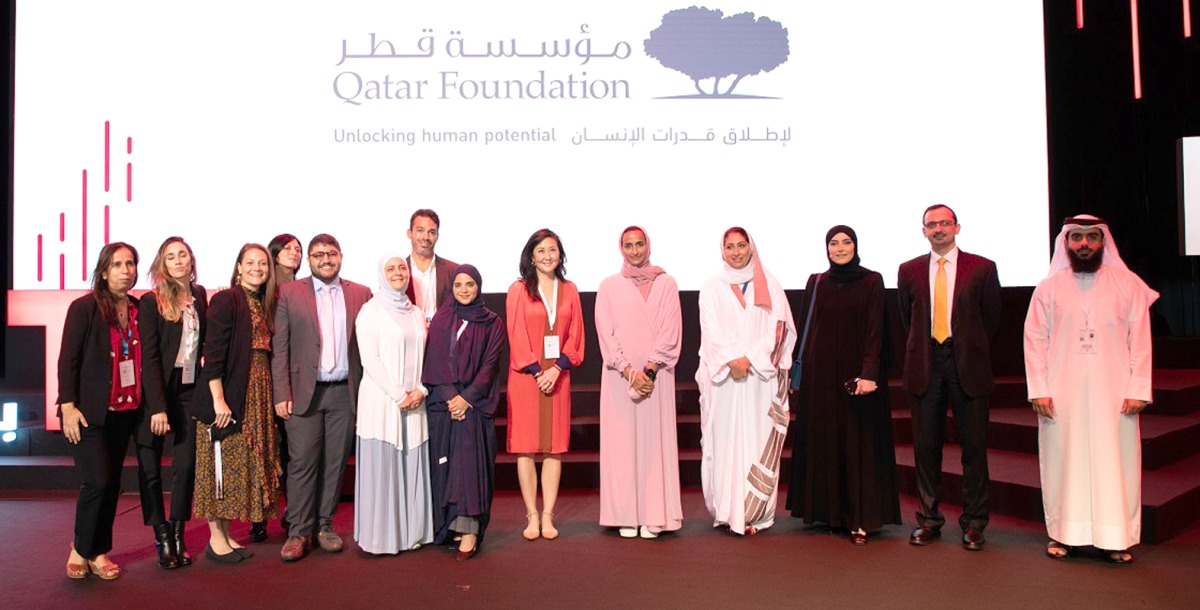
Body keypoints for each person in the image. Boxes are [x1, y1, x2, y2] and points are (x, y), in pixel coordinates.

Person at [1024, 215, 1157, 565]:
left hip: (1115, 393)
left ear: (1103, 242)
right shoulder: (1048, 288)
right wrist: (1038, 389)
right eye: (1077, 238)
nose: (1084, 244)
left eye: (1092, 237)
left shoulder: (1127, 284)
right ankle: (1064, 535)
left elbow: (1141, 341)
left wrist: (1139, 388)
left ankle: (1115, 538)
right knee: (1063, 460)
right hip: (1060, 393)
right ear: (1066, 243)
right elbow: (1034, 341)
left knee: (1115, 462)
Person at [786, 226, 901, 545]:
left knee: (857, 445)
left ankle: (860, 518)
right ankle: (831, 514)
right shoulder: (817, 281)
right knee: (827, 441)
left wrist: (869, 374)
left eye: (845, 242)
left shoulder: (872, 280)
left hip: (857, 380)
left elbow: (875, 331)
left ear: (856, 246)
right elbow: (809, 330)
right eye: (833, 243)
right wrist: (801, 376)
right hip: (820, 379)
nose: (839, 248)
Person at [897, 204, 1001, 551]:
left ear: (957, 227)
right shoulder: (908, 270)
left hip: (967, 365)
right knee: (926, 449)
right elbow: (905, 318)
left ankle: (974, 524)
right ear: (923, 231)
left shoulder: (982, 268)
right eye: (931, 225)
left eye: (944, 223)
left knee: (974, 450)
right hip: (926, 365)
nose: (938, 229)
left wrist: (965, 347)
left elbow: (991, 320)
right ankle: (928, 520)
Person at [273, 234, 372, 562]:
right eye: (318, 255)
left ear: (341, 256)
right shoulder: (289, 293)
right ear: (309, 260)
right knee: (302, 463)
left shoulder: (361, 293)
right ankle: (299, 530)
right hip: (305, 393)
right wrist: (281, 392)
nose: (325, 259)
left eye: (331, 254)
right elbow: (281, 347)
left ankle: (324, 525)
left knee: (334, 463)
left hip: (345, 392)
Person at [696, 228, 796, 535]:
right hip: (724, 380)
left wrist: (750, 360)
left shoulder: (772, 285)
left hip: (759, 379)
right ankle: (727, 511)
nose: (736, 251)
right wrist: (730, 361)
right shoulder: (711, 287)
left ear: (751, 248)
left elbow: (781, 331)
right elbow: (709, 332)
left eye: (742, 245)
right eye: (730, 246)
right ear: (722, 250)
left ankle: (757, 514)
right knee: (723, 444)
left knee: (756, 441)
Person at [191, 243, 280, 563]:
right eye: (251, 263)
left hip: (256, 392)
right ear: (239, 267)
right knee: (220, 465)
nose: (257, 268)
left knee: (235, 466)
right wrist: (219, 401)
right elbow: (212, 355)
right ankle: (216, 539)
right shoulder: (227, 299)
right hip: (230, 394)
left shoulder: (261, 302)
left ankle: (226, 535)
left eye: (263, 264)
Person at [59, 242, 142, 580]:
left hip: (125, 411)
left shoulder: (138, 308)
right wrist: (67, 406)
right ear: (104, 270)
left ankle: (99, 552)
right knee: (98, 480)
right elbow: (68, 360)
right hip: (88, 412)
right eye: (119, 264)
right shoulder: (84, 307)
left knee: (111, 485)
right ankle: (80, 548)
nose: (126, 270)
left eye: (131, 264)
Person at [595, 226, 684, 539]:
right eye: (628, 245)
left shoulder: (667, 283)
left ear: (649, 245)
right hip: (620, 377)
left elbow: (670, 329)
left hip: (655, 378)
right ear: (621, 248)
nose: (634, 250)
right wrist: (629, 371)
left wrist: (649, 370)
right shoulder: (608, 286)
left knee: (653, 446)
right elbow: (606, 333)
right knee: (622, 445)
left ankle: (654, 515)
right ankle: (626, 515)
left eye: (639, 244)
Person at [506, 228, 585, 541]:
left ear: (560, 254)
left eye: (552, 250)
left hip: (559, 377)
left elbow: (576, 335)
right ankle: (531, 514)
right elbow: (516, 334)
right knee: (525, 448)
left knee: (554, 448)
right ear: (531, 256)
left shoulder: (571, 289)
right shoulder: (518, 289)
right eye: (541, 251)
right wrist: (539, 371)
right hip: (527, 378)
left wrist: (556, 369)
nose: (547, 256)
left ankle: (549, 514)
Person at [424, 264, 506, 560]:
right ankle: (449, 526)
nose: (464, 290)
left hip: (474, 406)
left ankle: (470, 529)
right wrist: (450, 397)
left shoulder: (492, 322)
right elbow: (433, 363)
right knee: (446, 467)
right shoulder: (442, 319)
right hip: (444, 404)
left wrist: (466, 399)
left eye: (469, 284)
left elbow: (490, 366)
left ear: (478, 286)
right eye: (458, 285)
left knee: (470, 467)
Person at [353, 254, 433, 554]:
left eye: (402, 268)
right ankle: (382, 538)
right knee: (384, 466)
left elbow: (428, 357)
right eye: (391, 268)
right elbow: (369, 361)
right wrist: (400, 394)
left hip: (415, 402)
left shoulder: (416, 312)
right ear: (381, 274)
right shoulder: (369, 312)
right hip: (383, 402)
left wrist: (420, 391)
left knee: (412, 460)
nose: (398, 273)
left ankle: (412, 532)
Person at [135, 237, 207, 568]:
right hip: (155, 393)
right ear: (162, 264)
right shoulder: (151, 302)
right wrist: (157, 406)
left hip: (189, 390)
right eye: (170, 257)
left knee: (186, 465)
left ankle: (178, 533)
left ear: (191, 260)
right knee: (150, 471)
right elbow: (149, 357)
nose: (178, 261)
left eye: (183, 255)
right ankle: (160, 535)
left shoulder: (201, 296)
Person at [252, 232, 303, 542]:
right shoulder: (262, 288)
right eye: (288, 249)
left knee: (291, 451)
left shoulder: (305, 289)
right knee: (264, 447)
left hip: (294, 379)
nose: (294, 253)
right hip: (262, 376)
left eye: (298, 249)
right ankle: (258, 514)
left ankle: (292, 511)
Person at [405, 209, 458, 325]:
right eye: (420, 230)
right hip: (409, 340)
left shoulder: (453, 271)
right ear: (409, 233)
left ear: (437, 236)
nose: (426, 237)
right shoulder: (398, 272)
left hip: (443, 340)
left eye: (431, 232)